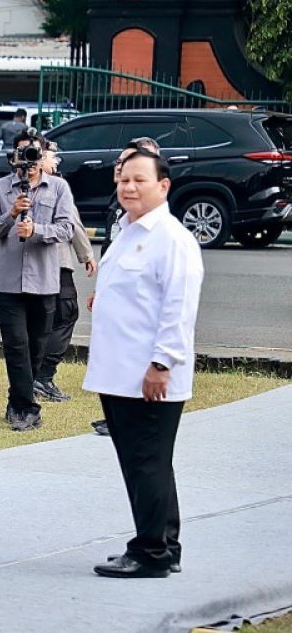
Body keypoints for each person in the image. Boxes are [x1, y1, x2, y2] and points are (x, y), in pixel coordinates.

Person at [85, 149, 203, 578]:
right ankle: (164, 544)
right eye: (123, 180)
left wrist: (162, 363)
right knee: (148, 462)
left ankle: (150, 552)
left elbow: (179, 307)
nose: (128, 187)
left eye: (139, 180)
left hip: (147, 375)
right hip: (119, 373)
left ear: (163, 186)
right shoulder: (128, 231)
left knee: (146, 463)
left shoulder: (171, 238)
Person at [0, 131, 74, 431]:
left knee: (36, 347)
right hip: (7, 282)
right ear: (14, 157)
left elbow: (66, 230)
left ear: (43, 155)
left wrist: (36, 231)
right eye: (24, 153)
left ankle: (16, 399)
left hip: (44, 282)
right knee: (16, 346)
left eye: (35, 152)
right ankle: (25, 408)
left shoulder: (58, 188)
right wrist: (11, 214)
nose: (29, 159)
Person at [92, 136, 161, 436]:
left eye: (128, 162)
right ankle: (115, 415)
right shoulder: (117, 202)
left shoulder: (158, 221)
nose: (119, 168)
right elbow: (111, 248)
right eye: (120, 163)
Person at [33, 143, 97, 403]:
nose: (56, 161)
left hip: (31, 267)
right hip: (56, 262)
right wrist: (87, 255)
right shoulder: (56, 186)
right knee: (66, 313)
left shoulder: (19, 184)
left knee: (42, 320)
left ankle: (36, 375)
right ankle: (43, 376)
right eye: (51, 156)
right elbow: (73, 224)